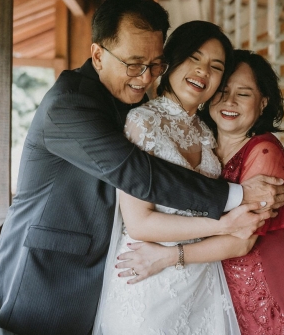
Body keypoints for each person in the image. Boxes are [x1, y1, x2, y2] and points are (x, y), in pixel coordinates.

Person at [0, 0, 284, 335]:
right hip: (48, 282)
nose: (145, 78)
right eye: (134, 64)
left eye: (154, 65)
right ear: (98, 54)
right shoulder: (69, 105)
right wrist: (235, 198)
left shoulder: (140, 104)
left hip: (123, 278)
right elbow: (136, 174)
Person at [118, 50, 284, 334]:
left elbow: (242, 243)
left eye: (244, 94)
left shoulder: (264, 151)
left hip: (266, 293)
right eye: (223, 91)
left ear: (263, 102)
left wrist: (167, 256)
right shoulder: (207, 144)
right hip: (221, 291)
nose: (230, 101)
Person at [95, 21, 243, 335]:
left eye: (215, 66)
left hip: (200, 280)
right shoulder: (142, 121)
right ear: (172, 60)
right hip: (148, 277)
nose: (204, 71)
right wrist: (223, 225)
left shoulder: (206, 133)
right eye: (195, 58)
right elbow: (139, 222)